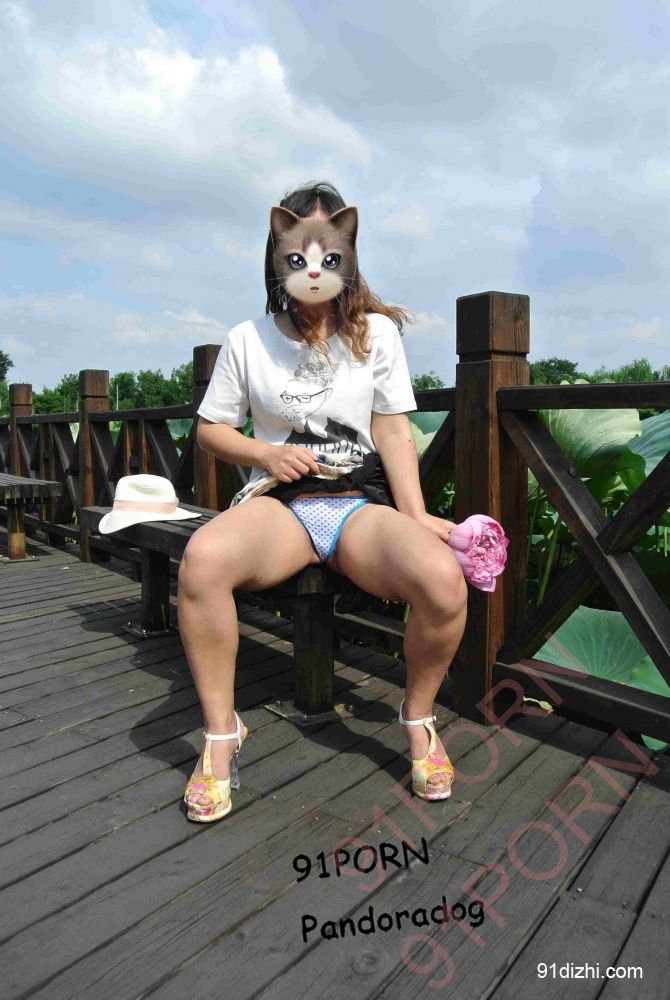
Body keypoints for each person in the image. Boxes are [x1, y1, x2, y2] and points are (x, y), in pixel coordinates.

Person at [178, 180, 468, 822]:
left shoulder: (377, 334)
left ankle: (418, 717)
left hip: (357, 501)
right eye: (298, 252)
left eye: (328, 252)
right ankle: (221, 733)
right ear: (278, 253)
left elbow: (392, 428)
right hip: (280, 504)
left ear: (348, 252)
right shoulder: (247, 338)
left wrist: (416, 515)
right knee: (202, 560)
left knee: (443, 580)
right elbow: (210, 429)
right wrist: (265, 454)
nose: (313, 266)